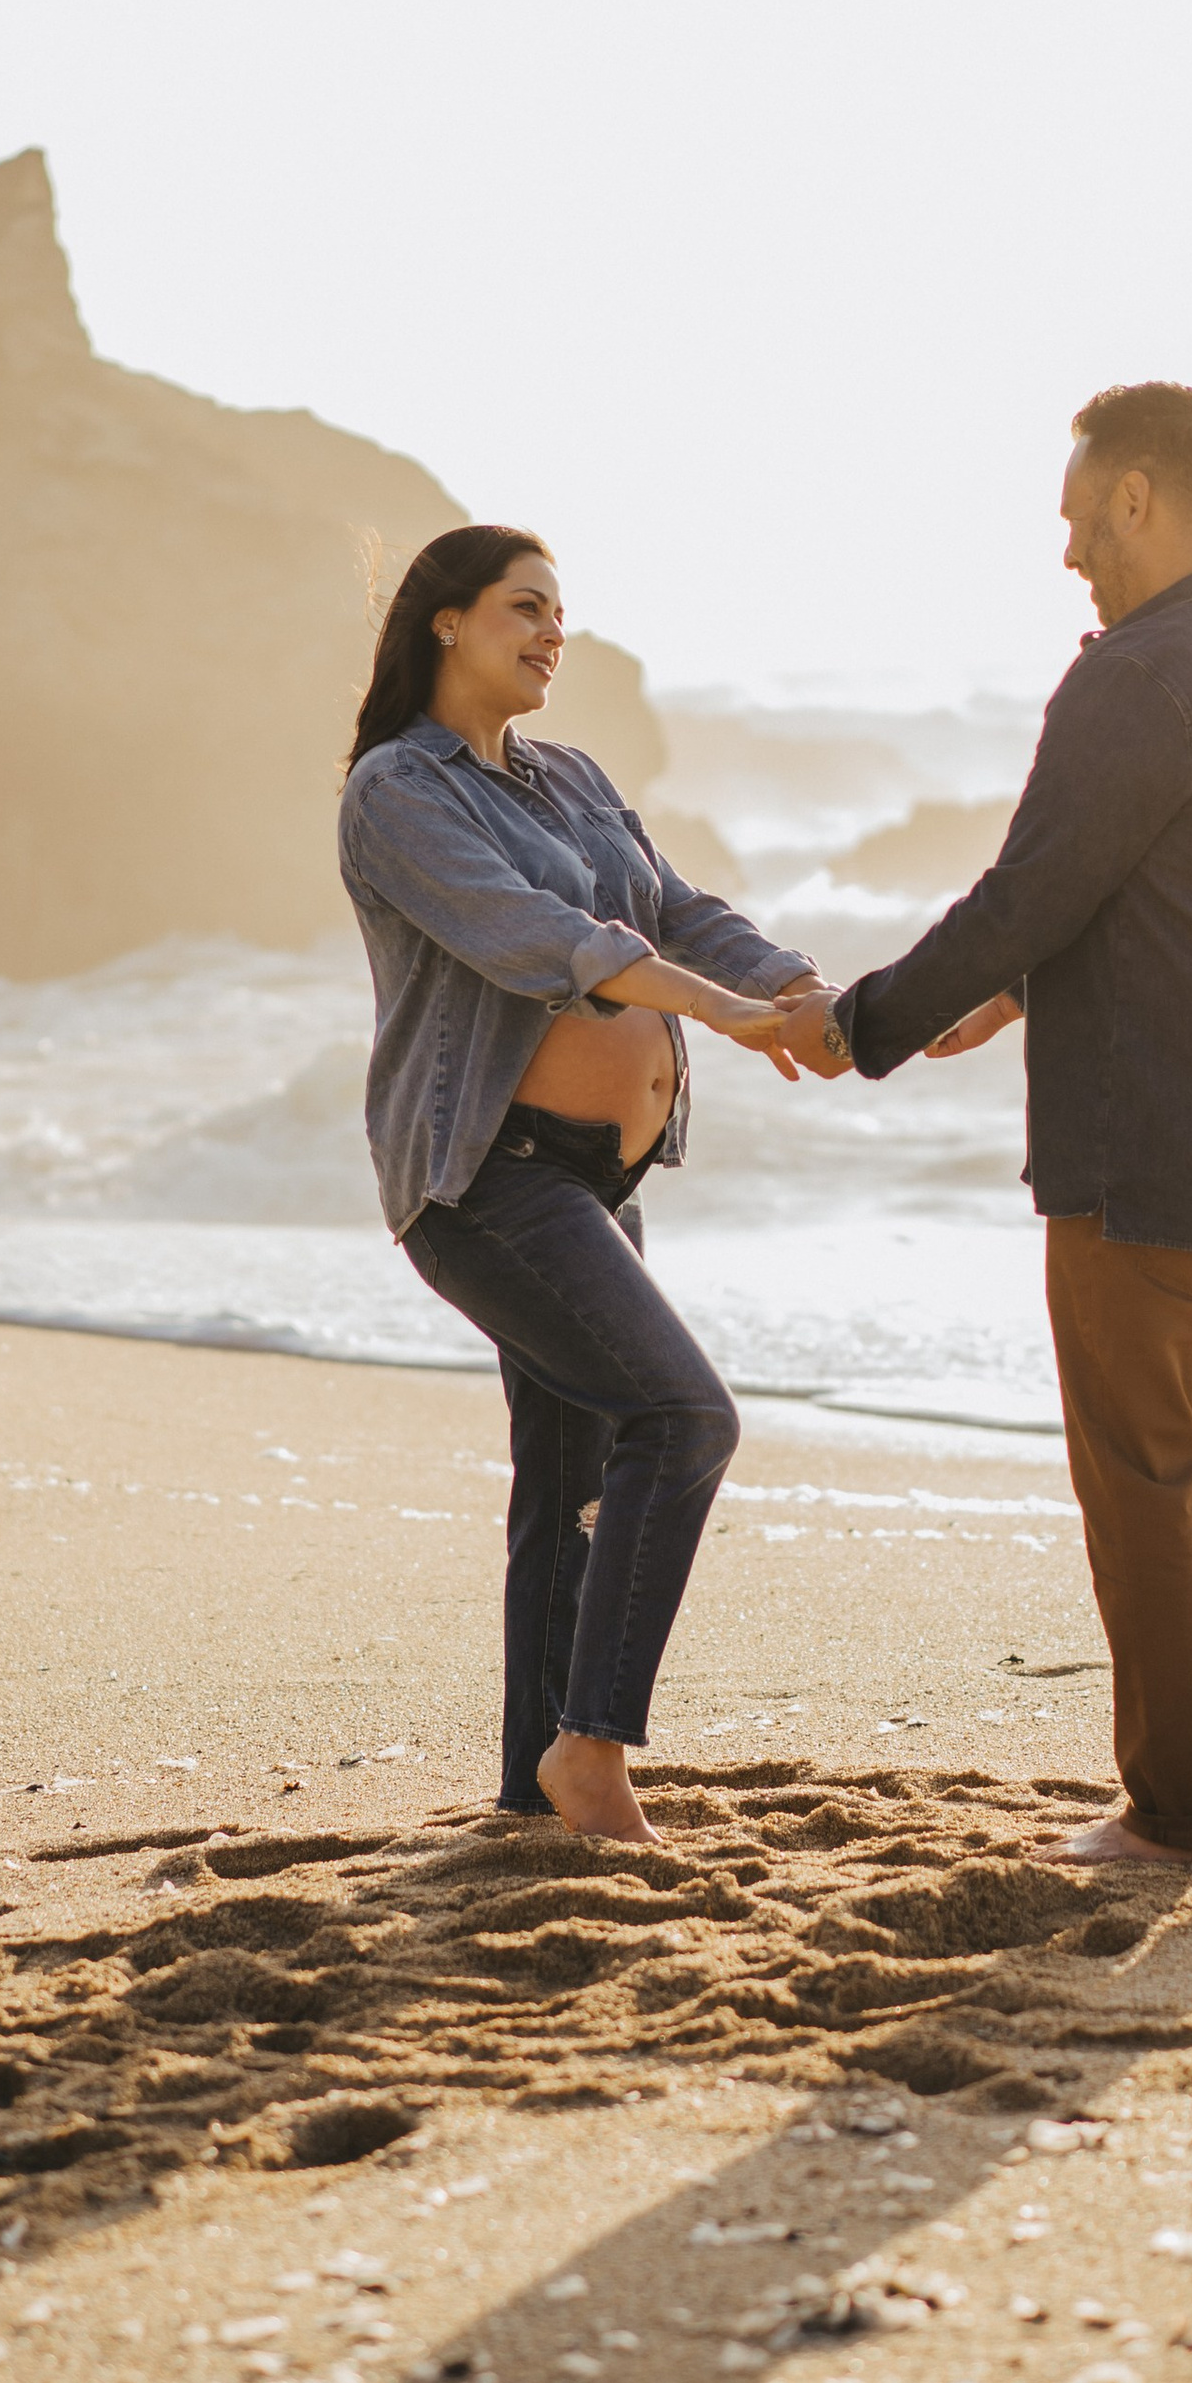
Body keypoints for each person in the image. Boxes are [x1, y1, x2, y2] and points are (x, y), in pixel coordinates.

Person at [779, 386, 1192, 1868]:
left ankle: (1173, 1815)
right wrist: (1025, 995)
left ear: (1137, 497)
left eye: (1073, 517)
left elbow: (1030, 892)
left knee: (1146, 1471)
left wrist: (866, 1024)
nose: (1066, 557)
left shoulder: (1140, 674)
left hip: (1152, 1155)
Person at [341, 524, 829, 1847]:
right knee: (681, 1421)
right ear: (444, 620)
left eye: (560, 612)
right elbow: (544, 942)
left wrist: (794, 989)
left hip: (595, 1183)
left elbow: (671, 907)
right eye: (524, 608)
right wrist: (725, 1015)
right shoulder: (399, 792)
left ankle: (532, 1789)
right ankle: (596, 1752)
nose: (552, 632)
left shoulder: (573, 777)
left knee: (566, 1491)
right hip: (485, 1181)